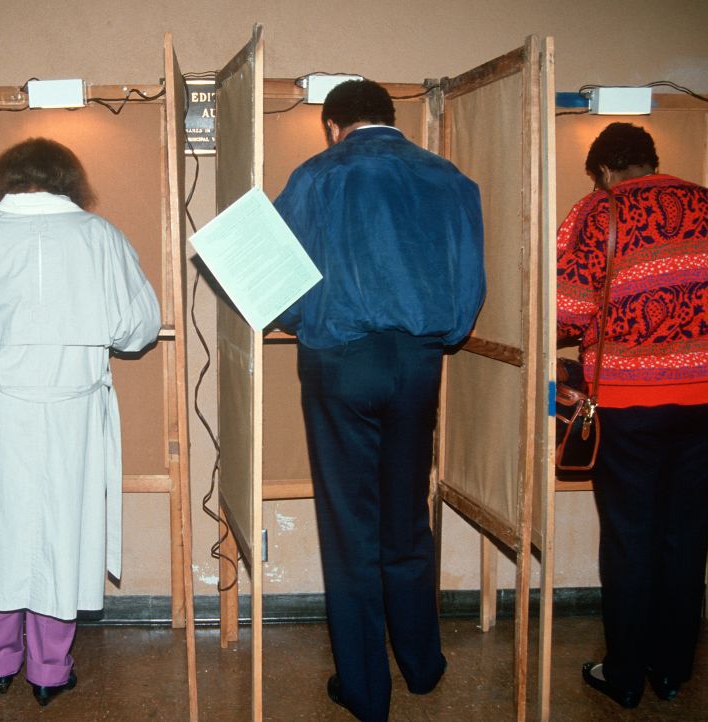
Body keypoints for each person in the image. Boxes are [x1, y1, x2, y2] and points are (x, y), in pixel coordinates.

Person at [273, 79, 485, 722]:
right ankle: (422, 667)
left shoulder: (316, 176)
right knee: (406, 515)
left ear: (332, 125)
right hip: (420, 363)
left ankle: (366, 692)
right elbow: (468, 289)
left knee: (350, 530)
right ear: (392, 119)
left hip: (342, 364)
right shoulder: (450, 178)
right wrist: (437, 336)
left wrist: (298, 320)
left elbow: (282, 290)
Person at [0, 138, 159, 706]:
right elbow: (139, 329)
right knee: (64, 531)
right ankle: (50, 670)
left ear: (4, 179)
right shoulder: (99, 235)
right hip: (71, 411)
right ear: (69, 179)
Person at [556, 122, 708, 709]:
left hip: (630, 401)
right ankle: (670, 671)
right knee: (685, 533)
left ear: (604, 171)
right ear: (651, 160)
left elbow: (568, 312)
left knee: (630, 538)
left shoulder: (598, 212)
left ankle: (623, 675)